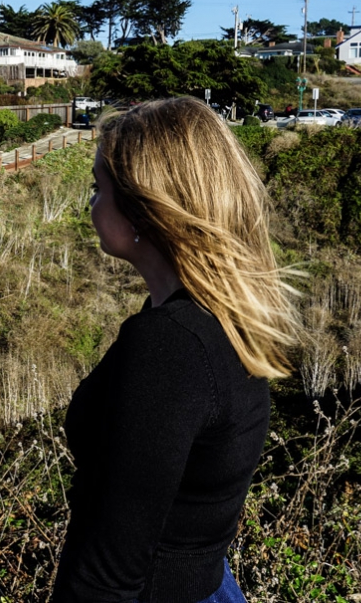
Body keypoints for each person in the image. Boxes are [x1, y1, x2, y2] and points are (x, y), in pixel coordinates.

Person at [52, 97, 300, 603]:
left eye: (99, 189)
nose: (92, 205)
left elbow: (110, 571)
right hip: (206, 582)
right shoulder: (220, 315)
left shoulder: (171, 347)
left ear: (146, 209)